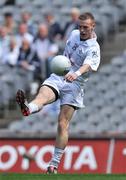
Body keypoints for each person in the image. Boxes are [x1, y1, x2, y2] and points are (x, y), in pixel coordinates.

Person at [16, 12, 100, 174]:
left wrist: (76, 74)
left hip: (75, 85)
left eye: (86, 27)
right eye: (80, 26)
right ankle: (28, 108)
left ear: (93, 27)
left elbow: (88, 65)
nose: (82, 30)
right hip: (59, 75)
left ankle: (53, 165)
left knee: (62, 123)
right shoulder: (74, 34)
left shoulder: (94, 48)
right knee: (42, 97)